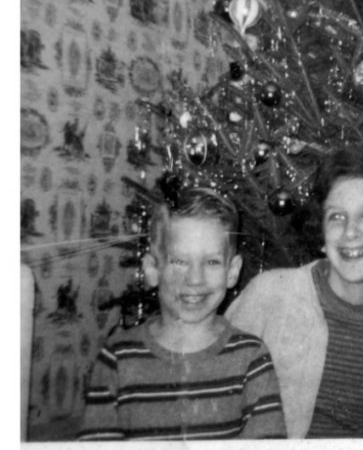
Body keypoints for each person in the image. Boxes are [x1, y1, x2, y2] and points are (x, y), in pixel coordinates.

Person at [226, 149, 363, 438]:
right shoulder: (269, 296)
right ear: (322, 234)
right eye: (336, 217)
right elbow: (212, 394)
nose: (350, 231)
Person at [79, 188, 286, 440]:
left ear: (232, 271)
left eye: (211, 262)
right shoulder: (117, 358)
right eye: (178, 261)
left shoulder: (252, 357)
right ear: (152, 270)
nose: (195, 279)